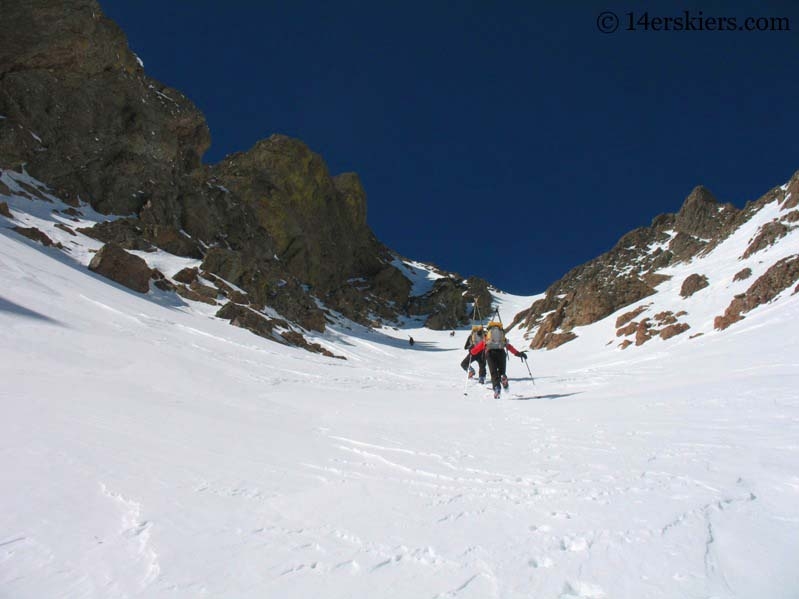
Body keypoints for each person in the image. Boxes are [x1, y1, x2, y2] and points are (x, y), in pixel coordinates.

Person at [469, 321, 527, 398]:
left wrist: (472, 351)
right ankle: (503, 376)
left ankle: (497, 388)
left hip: (490, 354)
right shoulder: (502, 337)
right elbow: (509, 347)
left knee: (493, 373)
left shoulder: (487, 337)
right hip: (501, 353)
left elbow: (478, 347)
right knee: (501, 371)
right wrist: (519, 354)